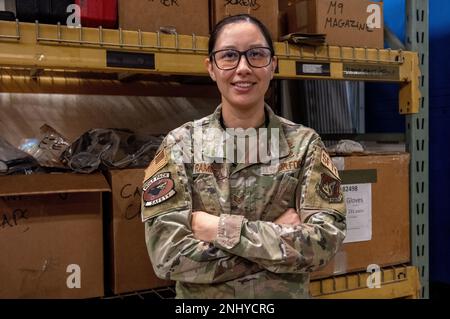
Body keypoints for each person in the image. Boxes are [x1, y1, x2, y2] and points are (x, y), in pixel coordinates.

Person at [141, 14, 346, 299]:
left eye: (256, 55)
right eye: (228, 56)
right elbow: (168, 256)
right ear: (211, 68)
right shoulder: (180, 145)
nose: (243, 68)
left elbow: (323, 245)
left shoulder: (304, 145)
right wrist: (276, 241)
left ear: (273, 65)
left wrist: (218, 229)